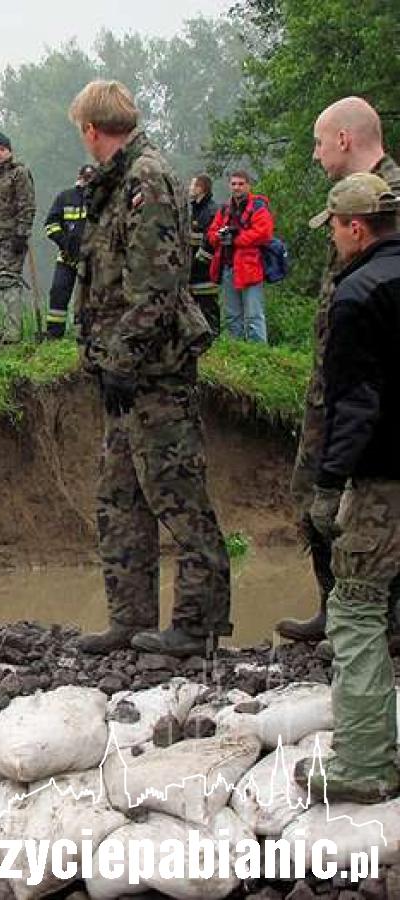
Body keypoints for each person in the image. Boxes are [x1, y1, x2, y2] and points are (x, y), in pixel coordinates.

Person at [67, 79, 230, 657]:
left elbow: (156, 284)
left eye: (80, 131)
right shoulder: (115, 183)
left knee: (177, 494)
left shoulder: (146, 178)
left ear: (91, 129)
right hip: (125, 370)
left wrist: (122, 354)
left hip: (153, 369)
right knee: (120, 497)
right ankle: (129, 618)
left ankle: (198, 623)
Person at [276, 96, 400, 645]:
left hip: (372, 388)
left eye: (319, 142)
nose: (315, 152)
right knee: (314, 499)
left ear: (345, 140)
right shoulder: (343, 203)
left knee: (374, 509)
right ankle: (333, 608)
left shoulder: (389, 200)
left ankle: (378, 618)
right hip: (333, 382)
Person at [292, 172, 400, 803]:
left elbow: (354, 406)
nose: (331, 237)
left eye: (332, 226)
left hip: (384, 482)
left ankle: (364, 764)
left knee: (357, 611)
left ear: (355, 227)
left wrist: (329, 485)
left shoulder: (357, 294)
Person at [206, 171, 274, 342]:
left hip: (250, 266)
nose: (237, 187)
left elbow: (264, 233)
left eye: (241, 184)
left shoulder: (258, 206)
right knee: (232, 315)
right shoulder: (225, 209)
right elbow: (212, 233)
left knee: (254, 315)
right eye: (234, 184)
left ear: (248, 185)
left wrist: (236, 239)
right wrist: (221, 237)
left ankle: (259, 354)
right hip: (228, 266)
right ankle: (235, 351)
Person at [0, 132, 36, 342]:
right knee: (1, 282)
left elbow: (27, 204)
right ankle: (7, 327)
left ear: (10, 151)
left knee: (9, 280)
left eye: (2, 150)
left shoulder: (19, 173)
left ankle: (13, 332)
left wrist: (21, 234)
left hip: (11, 236)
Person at [42, 165, 95, 339]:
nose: (86, 181)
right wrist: (64, 243)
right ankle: (54, 333)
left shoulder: (99, 198)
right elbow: (50, 224)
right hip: (66, 257)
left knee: (89, 297)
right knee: (58, 291)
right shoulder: (65, 197)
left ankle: (87, 333)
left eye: (90, 178)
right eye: (84, 178)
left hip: (91, 258)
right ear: (78, 177)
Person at [187, 175, 221, 333]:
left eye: (192, 185)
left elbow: (210, 242)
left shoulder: (211, 211)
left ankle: (214, 335)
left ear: (201, 189)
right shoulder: (196, 209)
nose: (190, 188)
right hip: (195, 269)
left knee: (208, 305)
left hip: (205, 270)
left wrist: (199, 261)